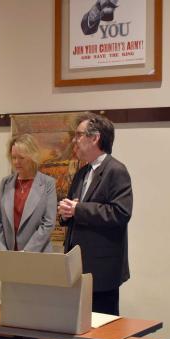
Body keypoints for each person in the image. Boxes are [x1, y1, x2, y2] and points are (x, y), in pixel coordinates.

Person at [58, 112, 133, 315]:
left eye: (79, 135)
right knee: (75, 330)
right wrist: (65, 213)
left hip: (101, 270)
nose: (75, 140)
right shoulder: (82, 172)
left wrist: (78, 209)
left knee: (101, 333)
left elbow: (120, 213)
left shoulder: (116, 170)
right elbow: (75, 208)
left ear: (95, 138)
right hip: (76, 266)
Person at [0, 134, 57, 339]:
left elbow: (48, 223)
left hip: (35, 256)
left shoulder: (47, 184)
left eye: (21, 157)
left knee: (32, 308)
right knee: (14, 306)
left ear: (32, 157)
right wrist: (3, 251)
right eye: (13, 158)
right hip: (10, 255)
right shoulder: (6, 183)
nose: (16, 162)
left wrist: (25, 254)